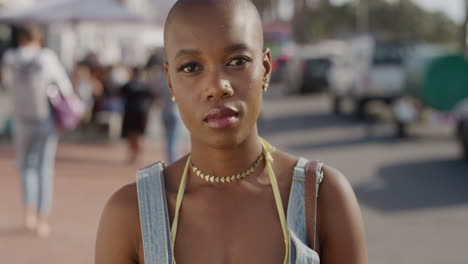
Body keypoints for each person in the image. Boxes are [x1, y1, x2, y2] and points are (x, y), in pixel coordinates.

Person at [95, 1, 368, 263]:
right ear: (170, 81)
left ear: (265, 69)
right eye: (191, 67)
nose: (217, 86)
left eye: (237, 61)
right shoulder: (132, 214)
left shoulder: (322, 198)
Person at [1, 24, 73, 238]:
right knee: (44, 167)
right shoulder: (46, 57)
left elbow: (6, 84)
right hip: (44, 119)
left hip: (21, 118)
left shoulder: (10, 57)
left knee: (26, 166)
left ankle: (28, 214)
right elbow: (63, 86)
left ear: (21, 38)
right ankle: (42, 218)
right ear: (39, 40)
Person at [146, 53, 184, 163]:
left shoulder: (160, 79)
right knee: (175, 140)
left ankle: (171, 161)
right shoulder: (177, 79)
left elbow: (154, 93)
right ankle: (174, 162)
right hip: (175, 110)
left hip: (165, 110)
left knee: (168, 139)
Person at [120, 67, 155, 163]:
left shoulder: (127, 85)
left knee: (131, 133)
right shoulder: (145, 86)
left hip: (129, 112)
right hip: (141, 112)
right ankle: (136, 152)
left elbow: (120, 95)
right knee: (139, 134)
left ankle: (133, 153)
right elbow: (152, 98)